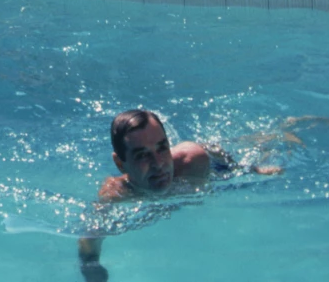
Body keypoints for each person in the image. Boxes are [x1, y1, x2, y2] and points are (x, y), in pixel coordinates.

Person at [77, 108, 293, 278]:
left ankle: (286, 128)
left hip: (215, 165)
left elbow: (232, 168)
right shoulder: (116, 195)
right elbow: (89, 240)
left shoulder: (192, 162)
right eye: (142, 155)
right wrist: (92, 269)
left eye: (162, 148)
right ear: (120, 163)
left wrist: (255, 170)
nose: (158, 164)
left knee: (267, 147)